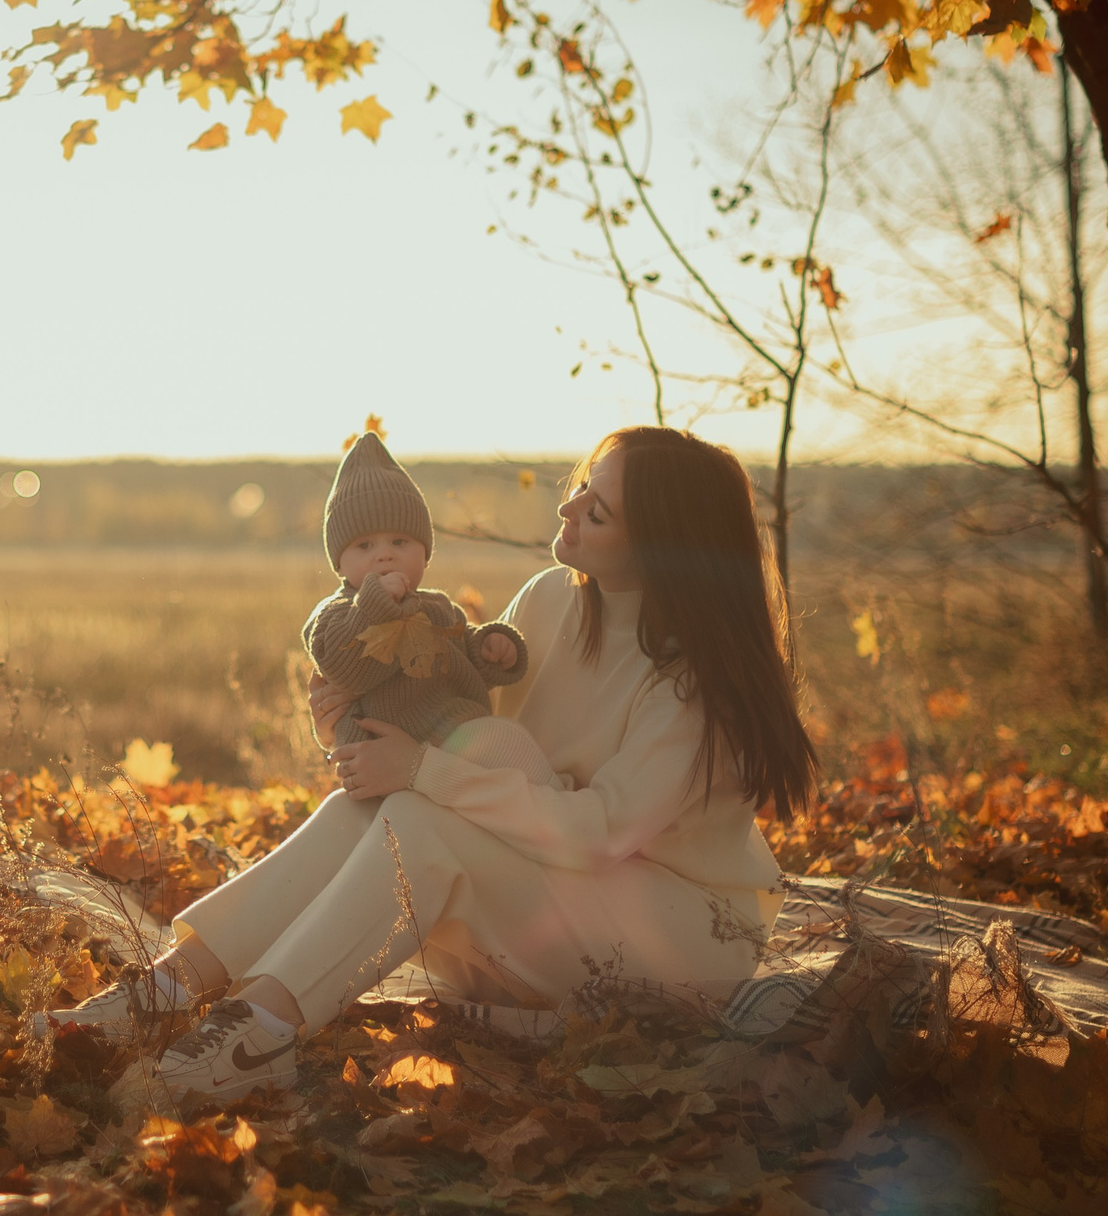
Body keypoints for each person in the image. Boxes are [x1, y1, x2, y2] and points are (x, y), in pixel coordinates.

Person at [48, 425, 814, 1104]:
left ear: (659, 545)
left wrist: (418, 771)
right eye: (580, 487)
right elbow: (464, 726)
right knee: (373, 804)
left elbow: (601, 831)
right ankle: (169, 987)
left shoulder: (691, 685)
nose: (566, 510)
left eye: (597, 510)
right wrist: (356, 730)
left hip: (676, 936)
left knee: (420, 813)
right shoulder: (552, 598)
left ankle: (259, 1034)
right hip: (550, 889)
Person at [301, 431, 558, 786]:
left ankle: (552, 800)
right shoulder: (334, 616)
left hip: (453, 737)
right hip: (376, 756)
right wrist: (376, 604)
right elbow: (345, 671)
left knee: (506, 739)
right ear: (339, 565)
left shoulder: (438, 607)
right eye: (364, 545)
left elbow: (460, 650)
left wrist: (488, 650)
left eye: (399, 541)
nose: (384, 554)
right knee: (500, 743)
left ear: (425, 554)